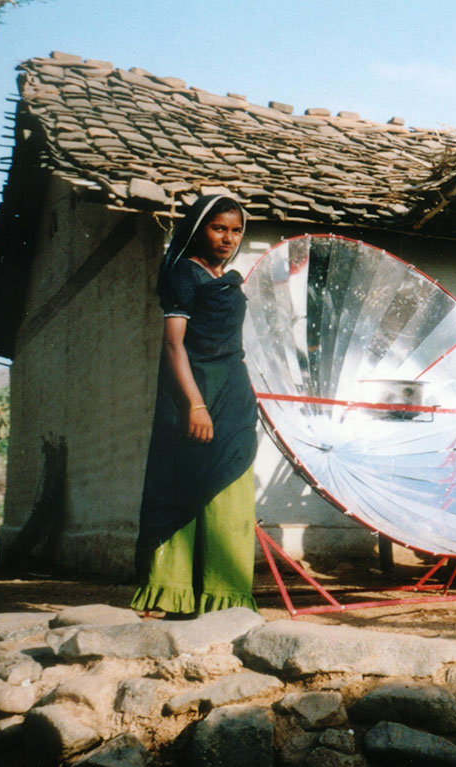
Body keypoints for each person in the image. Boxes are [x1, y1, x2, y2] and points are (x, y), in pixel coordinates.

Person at [132, 194, 259, 616]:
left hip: (233, 394)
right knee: (183, 485)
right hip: (194, 392)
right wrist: (193, 405)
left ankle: (226, 597)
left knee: (231, 486)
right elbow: (173, 346)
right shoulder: (183, 274)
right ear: (199, 228)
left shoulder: (226, 276)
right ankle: (170, 592)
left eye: (236, 230)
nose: (228, 238)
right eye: (218, 227)